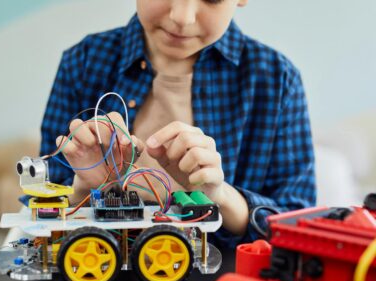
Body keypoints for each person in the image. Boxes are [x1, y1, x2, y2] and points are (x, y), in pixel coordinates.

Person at [40, 0, 316, 248]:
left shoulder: (277, 81)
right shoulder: (83, 63)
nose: (182, 17)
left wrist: (219, 195)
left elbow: (297, 226)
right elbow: (40, 202)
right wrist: (85, 189)